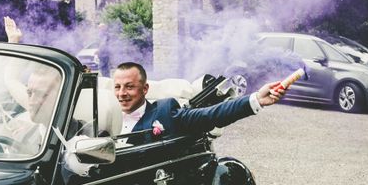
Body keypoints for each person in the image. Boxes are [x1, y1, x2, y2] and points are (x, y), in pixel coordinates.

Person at [113, 62, 286, 144]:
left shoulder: (165, 112)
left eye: (129, 87)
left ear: (144, 89)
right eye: (117, 87)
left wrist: (256, 100)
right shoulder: (98, 118)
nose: (122, 94)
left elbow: (211, 115)